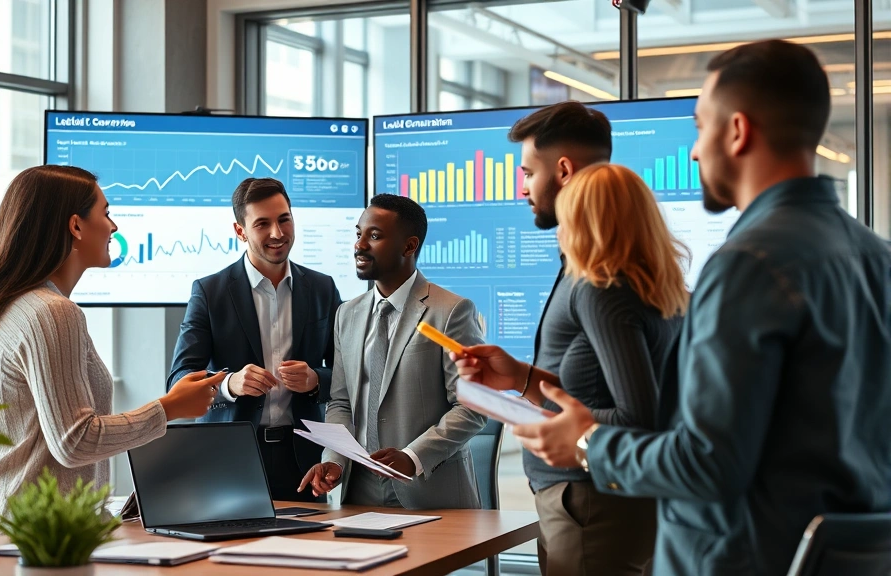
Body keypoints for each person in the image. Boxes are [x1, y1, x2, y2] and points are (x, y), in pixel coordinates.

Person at [467, 40, 891, 576]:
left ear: (737, 132)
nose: (694, 151)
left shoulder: (749, 265)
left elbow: (706, 460)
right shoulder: (876, 255)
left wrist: (587, 442)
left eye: (700, 126)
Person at [0, 165, 223, 544]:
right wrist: (170, 407)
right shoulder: (51, 313)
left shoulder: (3, 306)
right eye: (106, 213)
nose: (114, 227)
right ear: (76, 226)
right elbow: (75, 441)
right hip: (34, 543)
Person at [455, 161, 688, 574]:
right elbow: (607, 395)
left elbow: (638, 415)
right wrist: (521, 380)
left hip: (590, 503)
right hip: (617, 498)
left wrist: (555, 423)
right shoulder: (659, 289)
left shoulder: (601, 287)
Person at [298, 194, 486, 509]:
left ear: (409, 246)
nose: (359, 245)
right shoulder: (347, 314)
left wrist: (413, 457)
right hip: (359, 494)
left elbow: (473, 407)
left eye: (374, 236)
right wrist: (334, 460)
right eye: (358, 234)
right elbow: (341, 402)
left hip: (429, 492)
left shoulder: (452, 311)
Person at [168, 177, 341, 502]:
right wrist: (229, 384)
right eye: (262, 224)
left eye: (284, 219)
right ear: (240, 231)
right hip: (229, 459)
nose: (277, 233)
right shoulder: (210, 292)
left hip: (303, 461)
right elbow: (178, 381)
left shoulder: (322, 289)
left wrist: (316, 379)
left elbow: (349, 376)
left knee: (311, 548)